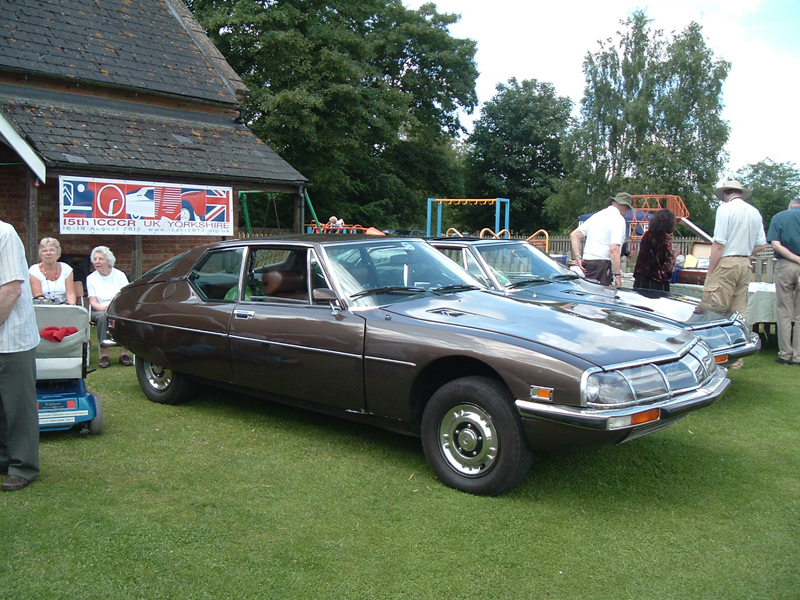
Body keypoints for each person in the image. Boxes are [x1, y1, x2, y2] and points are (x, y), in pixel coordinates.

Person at [699, 180, 767, 369]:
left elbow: (718, 243)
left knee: (714, 310)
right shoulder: (754, 212)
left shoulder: (725, 209)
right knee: (738, 312)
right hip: (745, 263)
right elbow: (762, 243)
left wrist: (711, 271)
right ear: (741, 193)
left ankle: (713, 355)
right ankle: (736, 358)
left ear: (725, 194)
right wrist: (743, 251)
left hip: (726, 262)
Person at [0, 220, 41, 492]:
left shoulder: (4, 234)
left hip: (12, 338)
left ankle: (23, 467)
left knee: (18, 407)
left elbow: (11, 290)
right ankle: (3, 460)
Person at [570, 192, 633, 287]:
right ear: (625, 206)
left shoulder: (597, 216)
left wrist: (578, 257)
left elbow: (575, 235)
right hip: (601, 265)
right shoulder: (618, 219)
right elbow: (614, 249)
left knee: (589, 292)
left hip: (588, 262)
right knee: (600, 294)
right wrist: (617, 275)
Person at [766, 198, 800, 365]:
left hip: (786, 264)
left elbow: (776, 245)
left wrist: (795, 259)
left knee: (784, 310)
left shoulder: (779, 217)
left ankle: (785, 354)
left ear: (791, 205)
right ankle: (798, 356)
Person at [86, 246, 132, 368]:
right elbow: (93, 302)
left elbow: (125, 297)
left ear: (108, 261)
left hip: (118, 308)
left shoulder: (120, 275)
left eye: (100, 259)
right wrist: (105, 309)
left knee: (125, 316)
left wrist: (113, 308)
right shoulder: (91, 278)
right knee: (102, 317)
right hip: (99, 310)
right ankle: (105, 355)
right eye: (95, 259)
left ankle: (124, 354)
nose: (97, 262)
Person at [633, 209, 677, 292]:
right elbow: (666, 263)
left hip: (641, 277)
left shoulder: (646, 235)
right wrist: (674, 255)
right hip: (656, 281)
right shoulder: (664, 238)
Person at [28, 237, 77, 305]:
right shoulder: (34, 270)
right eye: (45, 251)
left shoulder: (66, 269)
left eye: (52, 250)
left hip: (63, 306)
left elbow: (70, 294)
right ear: (41, 254)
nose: (48, 253)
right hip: (42, 306)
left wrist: (71, 304)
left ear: (57, 253)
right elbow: (38, 296)